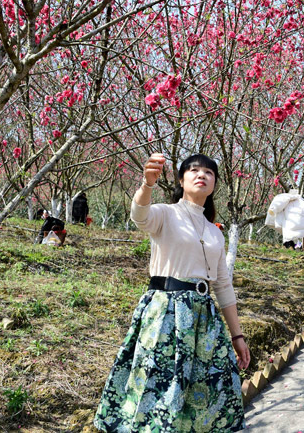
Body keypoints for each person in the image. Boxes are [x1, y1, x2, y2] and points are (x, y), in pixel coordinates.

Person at [94, 153, 248, 432]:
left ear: (214, 183)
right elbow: (140, 216)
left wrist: (237, 336)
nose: (201, 175)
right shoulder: (165, 213)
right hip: (166, 315)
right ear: (181, 179)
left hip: (205, 319)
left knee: (203, 388)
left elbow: (223, 286)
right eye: (193, 170)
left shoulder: (215, 233)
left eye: (208, 173)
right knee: (160, 384)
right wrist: (147, 185)